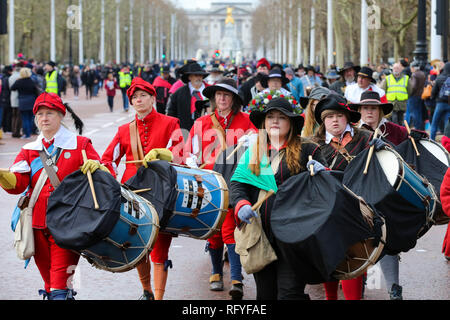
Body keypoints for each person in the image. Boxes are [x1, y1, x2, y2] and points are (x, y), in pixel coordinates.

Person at [0, 92, 111, 300]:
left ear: (60, 115)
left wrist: (97, 167)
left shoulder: (80, 145)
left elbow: (107, 178)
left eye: (49, 113)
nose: (44, 118)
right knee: (51, 284)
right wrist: (3, 175)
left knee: (58, 286)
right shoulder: (29, 150)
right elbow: (19, 184)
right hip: (37, 226)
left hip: (70, 226)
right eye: (40, 114)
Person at [230, 97, 327, 300]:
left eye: (281, 117)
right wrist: (241, 205)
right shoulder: (253, 153)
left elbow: (325, 189)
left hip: (295, 237)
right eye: (270, 117)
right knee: (265, 296)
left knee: (289, 294)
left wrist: (323, 172)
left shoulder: (308, 150)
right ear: (264, 123)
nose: (274, 121)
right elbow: (238, 185)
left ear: (290, 123)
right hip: (261, 235)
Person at [101, 77, 184, 300]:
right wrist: (111, 180)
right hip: (132, 197)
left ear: (153, 98)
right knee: (138, 246)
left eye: (143, 96)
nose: (138, 100)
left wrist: (165, 155)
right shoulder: (123, 130)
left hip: (163, 194)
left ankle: (158, 296)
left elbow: (181, 153)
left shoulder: (170, 123)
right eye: (134, 97)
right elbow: (108, 160)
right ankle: (146, 290)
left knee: (159, 248)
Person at [184, 78, 256, 299]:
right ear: (214, 98)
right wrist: (190, 160)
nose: (222, 98)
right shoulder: (202, 123)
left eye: (226, 95)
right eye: (218, 95)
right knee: (214, 233)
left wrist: (253, 140)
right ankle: (217, 272)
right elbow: (188, 151)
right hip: (210, 182)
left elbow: (260, 143)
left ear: (233, 98)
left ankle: (235, 277)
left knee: (229, 227)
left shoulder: (247, 120)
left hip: (236, 182)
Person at [312, 93, 380, 300]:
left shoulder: (367, 138)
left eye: (339, 115)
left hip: (358, 208)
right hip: (325, 210)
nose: (334, 120)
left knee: (355, 257)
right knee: (327, 256)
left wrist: (384, 148)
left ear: (347, 118)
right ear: (323, 121)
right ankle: (330, 297)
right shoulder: (313, 144)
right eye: (329, 116)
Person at [166, 61, 209, 132]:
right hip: (184, 133)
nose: (199, 78)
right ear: (189, 77)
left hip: (207, 132)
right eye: (196, 75)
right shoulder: (178, 93)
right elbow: (171, 113)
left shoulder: (210, 92)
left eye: (200, 75)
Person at [10, 67, 39, 139]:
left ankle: (26, 134)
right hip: (31, 100)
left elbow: (12, 88)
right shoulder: (32, 81)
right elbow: (36, 91)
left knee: (25, 118)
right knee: (30, 118)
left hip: (22, 100)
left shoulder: (19, 81)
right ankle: (29, 133)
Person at [430, 62, 450, 140]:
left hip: (440, 103)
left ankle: (431, 139)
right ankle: (446, 140)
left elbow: (433, 92)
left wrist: (434, 98)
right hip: (449, 104)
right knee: (447, 123)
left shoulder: (439, 78)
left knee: (435, 122)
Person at [9, 62, 23, 138]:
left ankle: (13, 130)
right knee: (18, 116)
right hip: (18, 98)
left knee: (13, 116)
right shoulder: (20, 77)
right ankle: (17, 131)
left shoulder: (11, 77)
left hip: (12, 97)